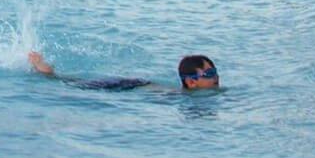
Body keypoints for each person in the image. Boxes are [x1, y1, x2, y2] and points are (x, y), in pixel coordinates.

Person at [28, 50, 221, 93]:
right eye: (210, 74)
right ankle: (47, 73)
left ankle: (48, 72)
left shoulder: (183, 94)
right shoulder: (180, 96)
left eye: (215, 72)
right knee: (72, 84)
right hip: (125, 86)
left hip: (133, 84)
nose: (217, 78)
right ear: (191, 82)